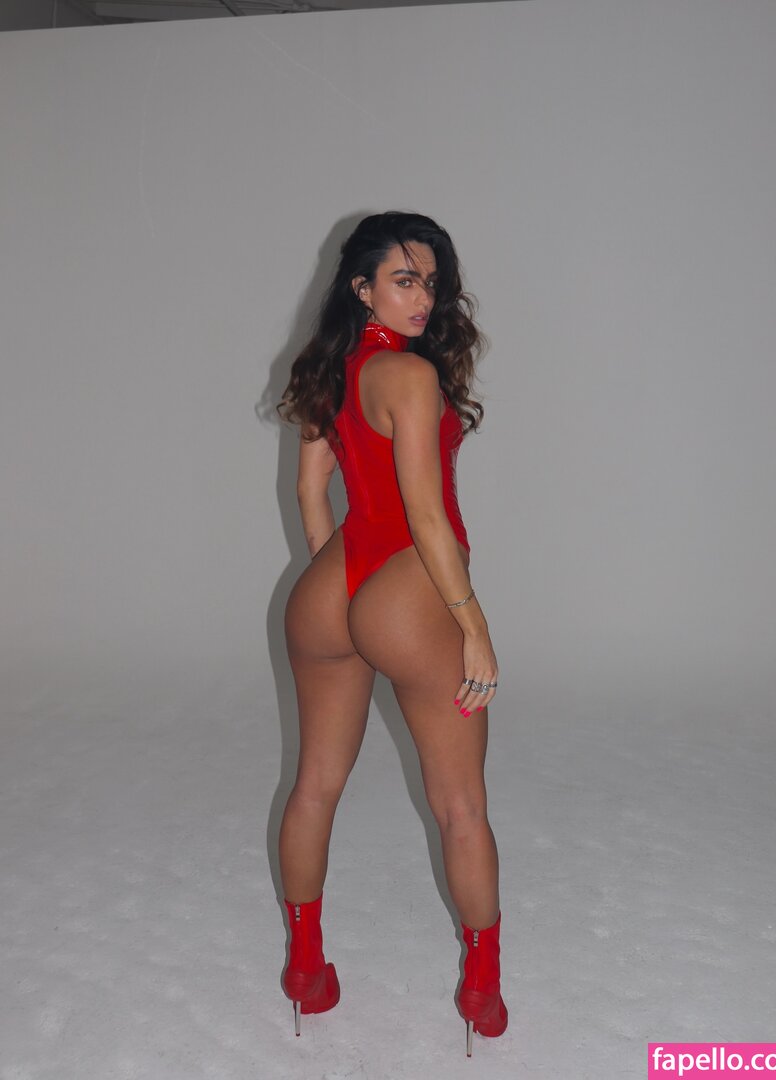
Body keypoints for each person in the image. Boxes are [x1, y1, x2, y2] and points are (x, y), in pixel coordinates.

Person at [273, 211, 507, 1057]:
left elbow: (312, 492)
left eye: (431, 282)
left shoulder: (329, 369)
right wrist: (471, 624)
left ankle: (307, 969)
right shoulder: (409, 375)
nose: (422, 298)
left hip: (328, 589)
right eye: (404, 280)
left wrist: (342, 593)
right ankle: (482, 989)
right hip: (409, 589)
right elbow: (427, 517)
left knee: (313, 785)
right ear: (362, 286)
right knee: (461, 806)